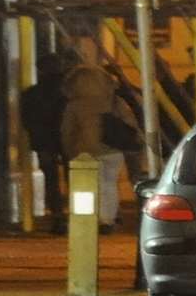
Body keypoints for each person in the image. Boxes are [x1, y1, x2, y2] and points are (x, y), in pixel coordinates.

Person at [59, 36, 140, 229]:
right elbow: (130, 122)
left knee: (86, 187)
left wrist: (68, 149)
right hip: (113, 150)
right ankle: (107, 219)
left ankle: (86, 218)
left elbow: (67, 130)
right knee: (109, 184)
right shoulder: (114, 101)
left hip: (85, 151)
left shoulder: (75, 105)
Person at [20, 47, 72, 230]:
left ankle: (57, 216)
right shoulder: (69, 93)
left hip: (43, 141)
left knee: (50, 178)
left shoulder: (31, 94)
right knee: (73, 177)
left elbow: (27, 120)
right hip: (67, 139)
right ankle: (76, 214)